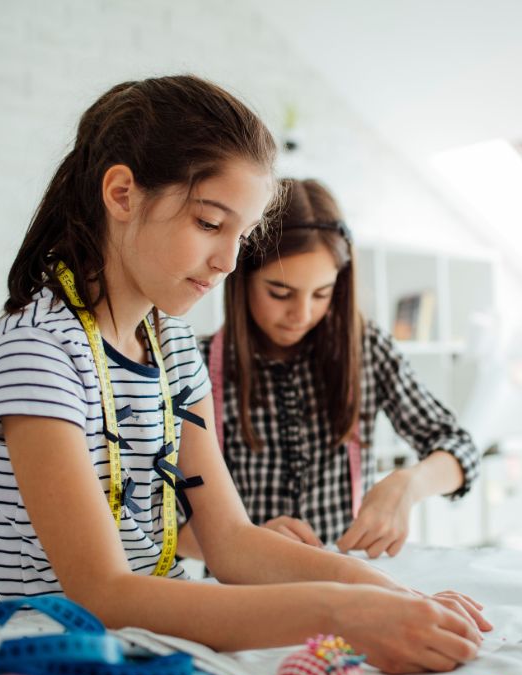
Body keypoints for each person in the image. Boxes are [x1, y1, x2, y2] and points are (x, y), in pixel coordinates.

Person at [0, 75, 490, 674]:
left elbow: (230, 542)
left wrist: (388, 595)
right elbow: (99, 594)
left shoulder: (174, 348)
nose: (230, 261)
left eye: (243, 234)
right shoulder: (37, 353)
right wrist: (343, 611)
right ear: (123, 194)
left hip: (151, 656)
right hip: (39, 669)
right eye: (210, 224)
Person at [185, 178, 480, 559]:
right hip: (246, 597)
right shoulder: (196, 364)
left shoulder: (365, 348)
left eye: (322, 293)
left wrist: (408, 484)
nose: (302, 314)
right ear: (241, 278)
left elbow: (461, 448)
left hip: (347, 584)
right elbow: (164, 529)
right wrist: (242, 539)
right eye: (280, 292)